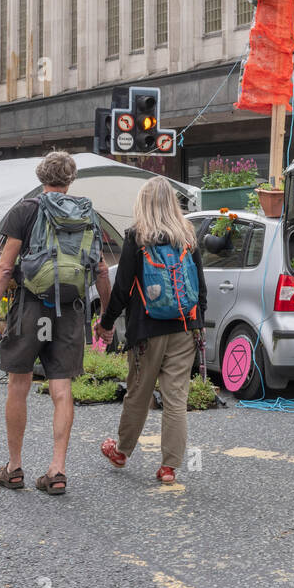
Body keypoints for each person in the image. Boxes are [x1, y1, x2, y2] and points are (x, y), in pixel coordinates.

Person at [0, 151, 111, 496]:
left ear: (41, 176)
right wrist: (106, 319)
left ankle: (13, 468)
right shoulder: (87, 213)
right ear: (71, 180)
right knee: (61, 386)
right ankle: (57, 470)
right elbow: (99, 269)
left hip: (30, 307)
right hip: (70, 310)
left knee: (19, 383)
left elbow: (4, 268)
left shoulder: (26, 210)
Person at [99, 176, 206, 484]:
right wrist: (198, 325)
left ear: (143, 203)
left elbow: (121, 290)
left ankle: (121, 451)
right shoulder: (187, 234)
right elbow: (199, 285)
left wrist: (106, 325)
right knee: (176, 399)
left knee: (138, 392)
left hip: (147, 329)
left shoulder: (137, 236)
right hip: (185, 328)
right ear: (173, 203)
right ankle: (169, 467)